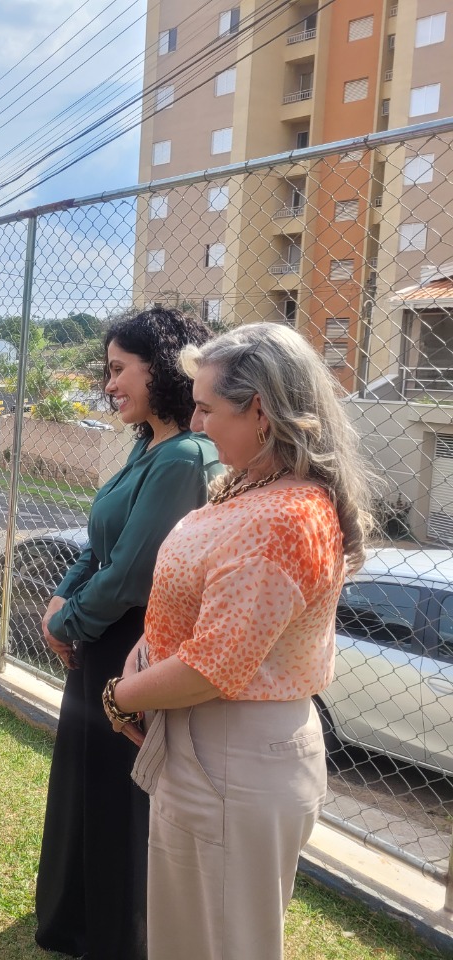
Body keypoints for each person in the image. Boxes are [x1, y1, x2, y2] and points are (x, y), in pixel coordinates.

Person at [105, 323, 372, 960]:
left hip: (234, 751)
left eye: (205, 407)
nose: (195, 423)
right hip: (214, 748)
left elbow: (214, 666)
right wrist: (141, 661)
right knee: (191, 936)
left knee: (222, 944)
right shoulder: (252, 486)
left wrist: (121, 694)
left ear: (259, 411)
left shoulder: (286, 517)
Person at [33, 307, 217, 960]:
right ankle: (74, 918)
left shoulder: (185, 458)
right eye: (106, 370)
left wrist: (71, 622)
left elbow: (137, 573)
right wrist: (61, 598)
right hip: (98, 637)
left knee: (117, 802)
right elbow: (100, 537)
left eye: (118, 370)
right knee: (86, 790)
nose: (108, 384)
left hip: (131, 647)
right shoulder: (145, 443)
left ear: (159, 369)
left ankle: (116, 938)